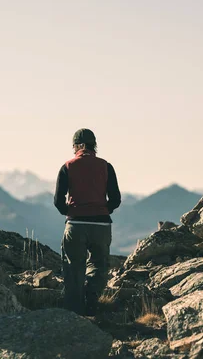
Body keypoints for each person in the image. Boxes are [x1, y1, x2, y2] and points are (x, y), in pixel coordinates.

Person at [54, 128, 121, 316]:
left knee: (73, 267)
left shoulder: (68, 166)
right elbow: (115, 198)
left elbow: (58, 200)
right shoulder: (106, 166)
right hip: (101, 225)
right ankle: (92, 303)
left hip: (75, 224)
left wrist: (71, 213)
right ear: (94, 146)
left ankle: (75, 312)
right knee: (99, 265)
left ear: (77, 146)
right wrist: (103, 211)